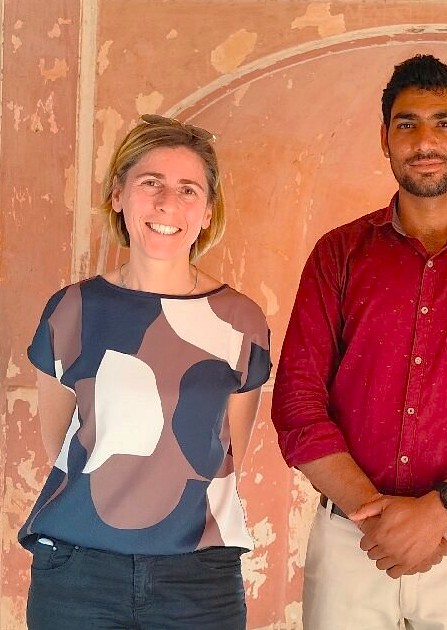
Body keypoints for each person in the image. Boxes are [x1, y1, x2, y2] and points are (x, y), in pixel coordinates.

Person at [272, 54, 447, 629]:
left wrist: (439, 511)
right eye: (407, 124)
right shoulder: (338, 254)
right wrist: (374, 515)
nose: (425, 140)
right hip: (350, 542)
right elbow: (298, 404)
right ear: (385, 139)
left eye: (443, 122)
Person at [21, 114, 271, 630]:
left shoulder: (240, 320)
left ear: (206, 213)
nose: (167, 204)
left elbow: (228, 452)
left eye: (188, 190)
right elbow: (62, 443)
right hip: (79, 572)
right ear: (118, 195)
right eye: (150, 183)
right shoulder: (72, 310)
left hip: (199, 579)